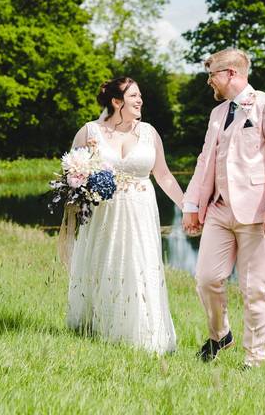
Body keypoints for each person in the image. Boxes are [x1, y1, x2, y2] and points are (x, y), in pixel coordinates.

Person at [182, 48, 265, 368]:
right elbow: (205, 161)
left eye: (212, 75)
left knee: (253, 289)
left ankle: (254, 360)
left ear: (231, 73)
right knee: (206, 278)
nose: (209, 82)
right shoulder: (217, 114)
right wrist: (192, 205)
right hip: (219, 209)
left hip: (257, 212)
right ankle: (221, 334)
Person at [65, 76, 185, 354]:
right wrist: (83, 183)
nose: (140, 101)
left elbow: (164, 176)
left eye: (140, 96)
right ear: (116, 102)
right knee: (104, 264)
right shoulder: (89, 132)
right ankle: (97, 328)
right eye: (133, 97)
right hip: (104, 214)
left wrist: (188, 207)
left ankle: (144, 335)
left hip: (141, 211)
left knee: (139, 265)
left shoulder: (149, 133)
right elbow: (72, 172)